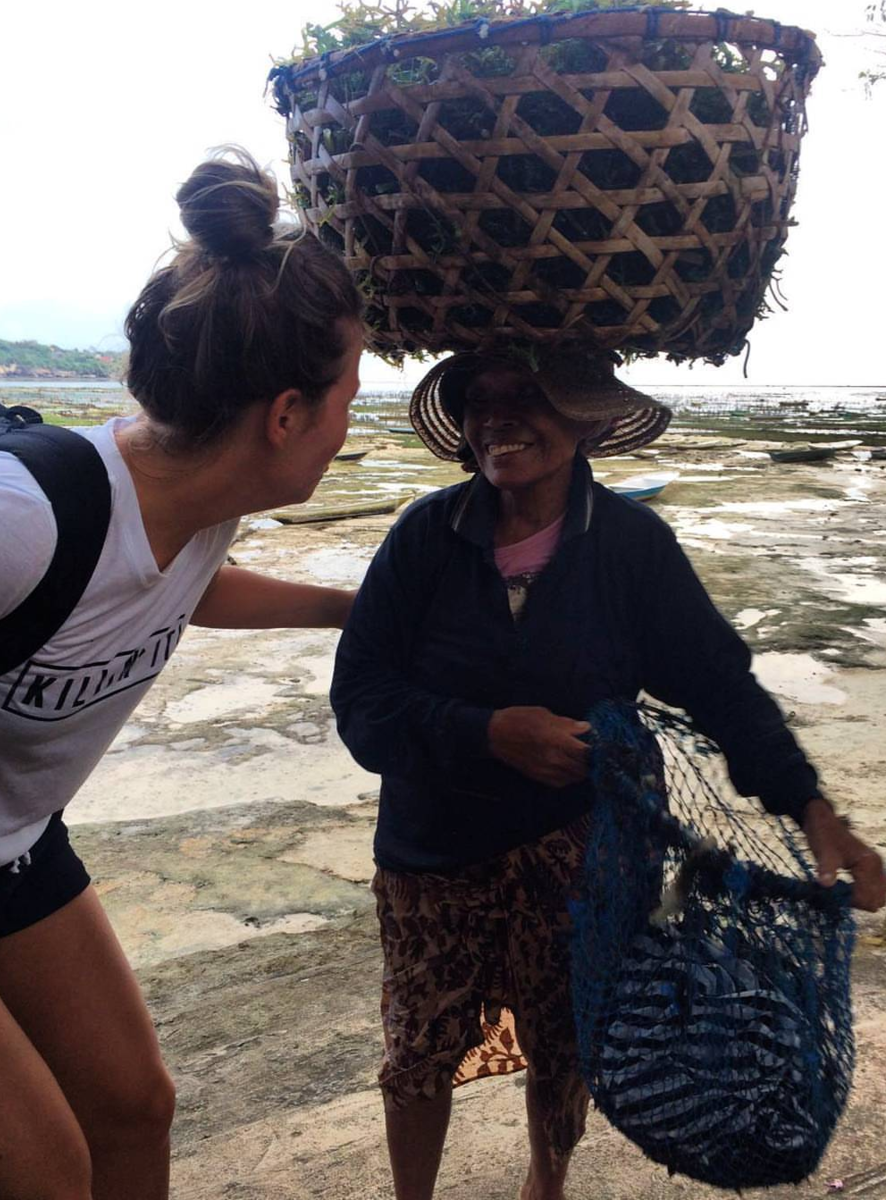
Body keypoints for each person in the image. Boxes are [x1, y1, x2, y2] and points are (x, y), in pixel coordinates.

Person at [330, 346, 886, 1200]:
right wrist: (488, 733)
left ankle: (545, 1185)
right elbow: (362, 700)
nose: (498, 415)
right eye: (480, 398)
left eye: (528, 394)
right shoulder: (423, 537)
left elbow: (716, 683)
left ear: (585, 420)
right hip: (432, 849)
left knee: (567, 1041)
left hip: (582, 848)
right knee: (417, 1049)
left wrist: (811, 807)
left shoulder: (630, 545)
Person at [0, 148, 364, 1200]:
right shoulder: (15, 520)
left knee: (134, 1108)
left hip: (11, 843)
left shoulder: (198, 508)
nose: (346, 430)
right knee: (45, 1173)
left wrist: (350, 609)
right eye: (347, 398)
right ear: (285, 416)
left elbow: (169, 586)